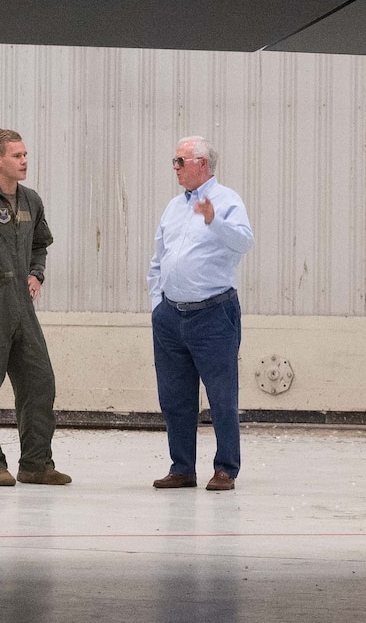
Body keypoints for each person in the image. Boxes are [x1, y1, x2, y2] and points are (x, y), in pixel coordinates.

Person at [148, 135, 254, 491]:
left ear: (202, 164)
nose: (175, 168)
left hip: (213, 314)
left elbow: (243, 241)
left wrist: (214, 221)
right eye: (174, 161)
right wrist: (156, 304)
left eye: (180, 161)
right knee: (175, 396)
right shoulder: (173, 207)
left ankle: (226, 468)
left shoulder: (227, 201)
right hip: (170, 316)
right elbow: (159, 258)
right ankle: (182, 467)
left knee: (222, 396)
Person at [0, 129, 70, 487]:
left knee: (40, 381)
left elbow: (41, 244)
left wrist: (37, 274)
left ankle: (35, 463)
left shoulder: (31, 200)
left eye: (25, 154)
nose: (24, 161)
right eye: (17, 155)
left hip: (23, 306)